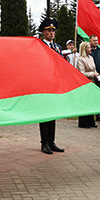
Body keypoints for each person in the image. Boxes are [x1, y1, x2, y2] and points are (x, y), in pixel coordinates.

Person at [37, 17, 66, 153]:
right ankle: (44, 143)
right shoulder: (39, 46)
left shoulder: (57, 47)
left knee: (53, 114)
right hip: (43, 83)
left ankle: (52, 142)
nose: (51, 33)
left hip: (54, 83)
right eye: (48, 30)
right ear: (43, 32)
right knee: (45, 114)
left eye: (53, 30)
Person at [75, 41, 100, 129]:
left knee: (91, 102)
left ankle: (91, 120)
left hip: (92, 82)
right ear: (84, 49)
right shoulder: (80, 59)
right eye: (89, 47)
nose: (91, 49)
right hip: (84, 83)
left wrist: (97, 74)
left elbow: (94, 69)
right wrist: (93, 74)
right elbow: (81, 73)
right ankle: (83, 122)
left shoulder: (91, 58)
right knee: (85, 103)